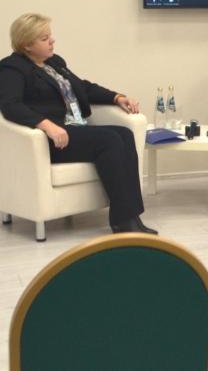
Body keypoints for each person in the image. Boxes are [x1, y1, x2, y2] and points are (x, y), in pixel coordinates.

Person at [0, 13, 155, 235]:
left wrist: (116, 97)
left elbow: (83, 87)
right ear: (27, 45)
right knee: (109, 140)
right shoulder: (12, 68)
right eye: (44, 38)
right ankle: (123, 222)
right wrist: (46, 125)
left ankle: (132, 216)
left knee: (124, 134)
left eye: (50, 35)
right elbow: (10, 105)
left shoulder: (54, 62)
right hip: (52, 139)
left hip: (75, 129)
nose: (52, 40)